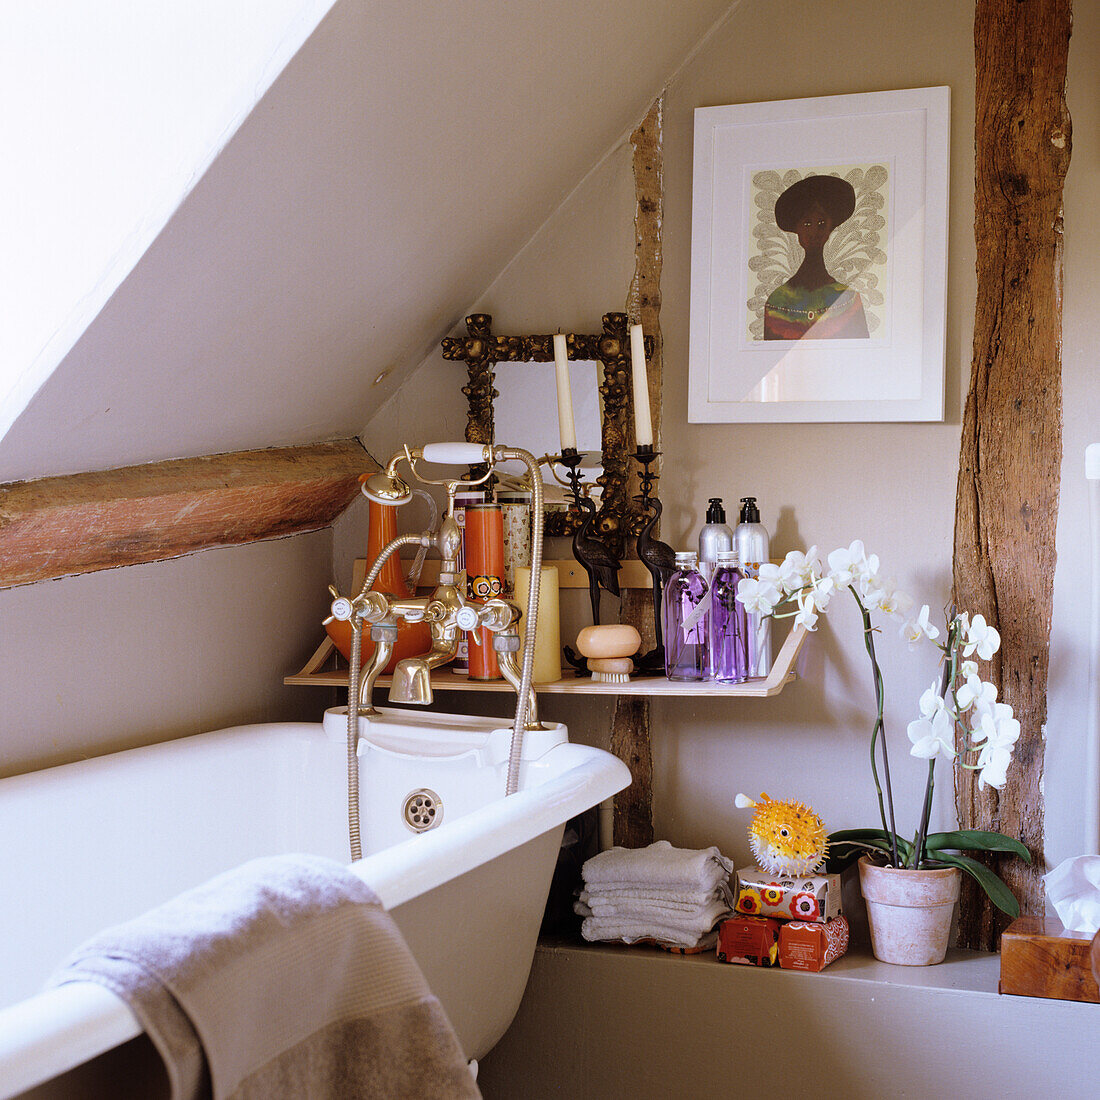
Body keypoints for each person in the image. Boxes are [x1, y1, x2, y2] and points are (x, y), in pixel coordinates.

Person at [763, 174, 870, 340]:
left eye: (821, 223)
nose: (814, 232)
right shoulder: (777, 302)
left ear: (829, 229)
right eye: (807, 223)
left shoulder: (849, 299)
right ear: (797, 229)